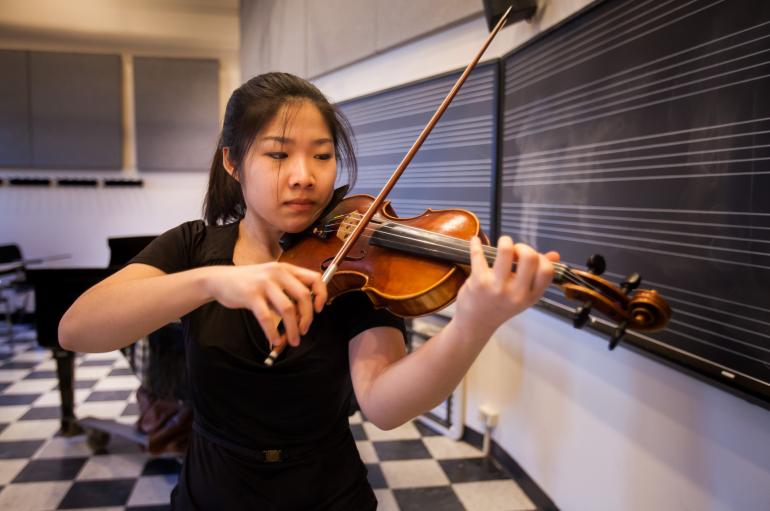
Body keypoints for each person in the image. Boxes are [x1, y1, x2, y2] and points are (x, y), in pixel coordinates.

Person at [59, 72, 559, 510]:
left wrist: (474, 325)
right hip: (211, 492)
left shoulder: (357, 262)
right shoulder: (194, 246)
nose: (304, 176)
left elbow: (384, 406)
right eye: (278, 154)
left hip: (328, 494)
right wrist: (212, 281)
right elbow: (77, 330)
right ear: (234, 163)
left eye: (322, 156)